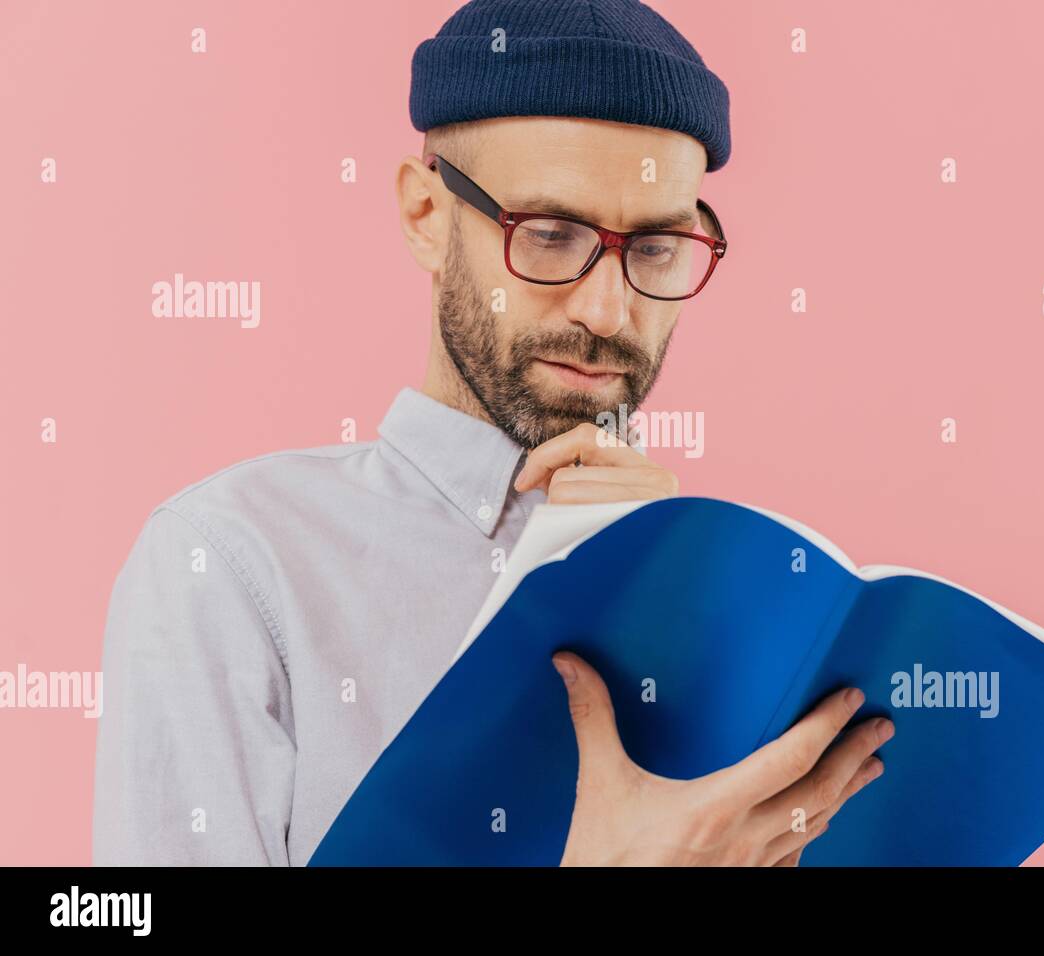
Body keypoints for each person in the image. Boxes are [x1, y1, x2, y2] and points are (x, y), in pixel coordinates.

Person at [92, 0, 893, 867]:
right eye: (551, 235)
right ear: (425, 214)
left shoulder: (734, 602)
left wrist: (678, 580)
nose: (605, 310)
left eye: (657, 248)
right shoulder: (230, 565)